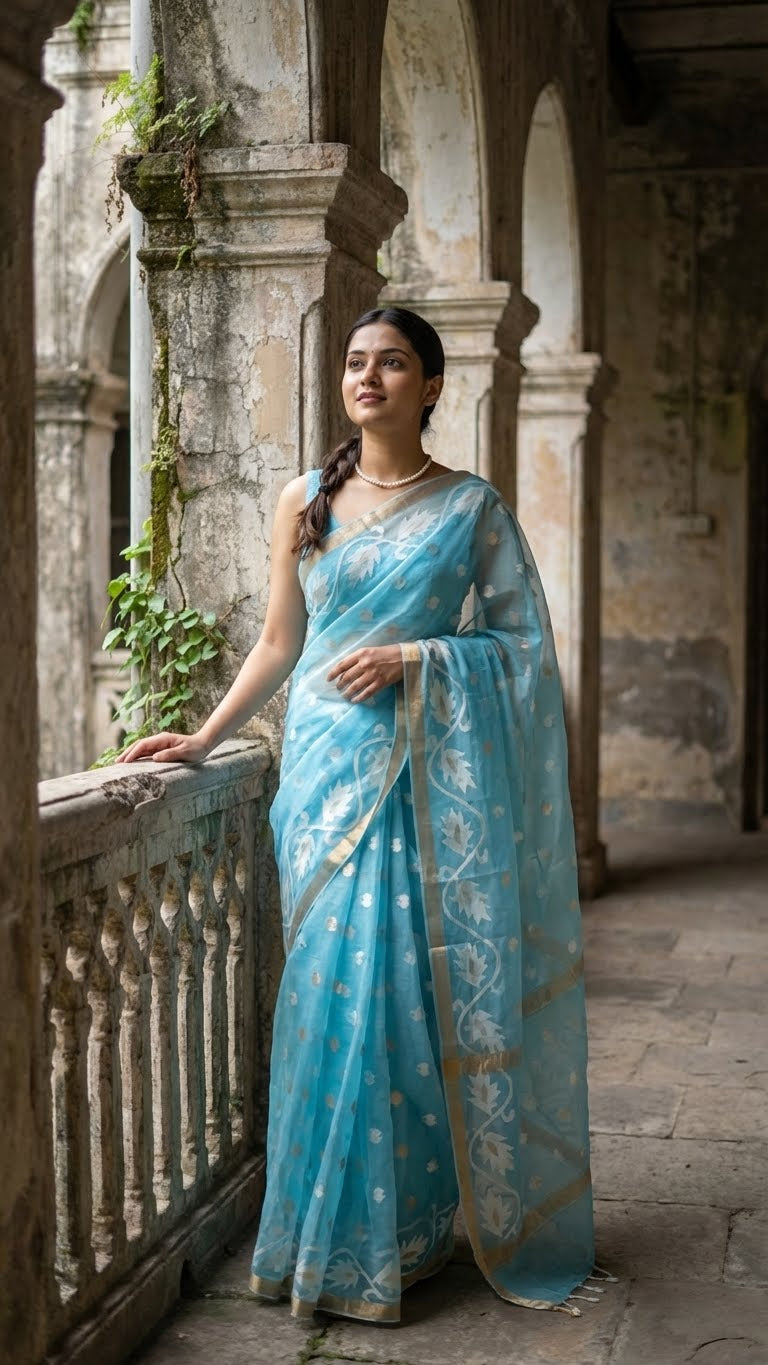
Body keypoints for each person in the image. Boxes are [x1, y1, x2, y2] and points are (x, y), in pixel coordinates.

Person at [118, 307, 596, 1323]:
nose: (367, 375)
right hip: (322, 784)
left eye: (391, 363)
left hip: (416, 783)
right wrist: (201, 739)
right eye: (353, 361)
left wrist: (419, 658)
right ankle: (322, 1239)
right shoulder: (305, 499)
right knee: (326, 1003)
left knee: (397, 1007)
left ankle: (395, 1238)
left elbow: (523, 656)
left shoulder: (470, 509)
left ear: (431, 386)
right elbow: (279, 644)